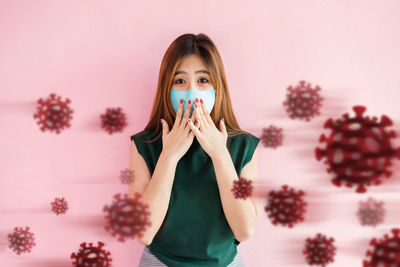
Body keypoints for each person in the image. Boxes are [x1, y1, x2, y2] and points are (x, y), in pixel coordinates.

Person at [129, 33, 260, 267]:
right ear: (166, 87)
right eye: (180, 81)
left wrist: (220, 155)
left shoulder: (243, 146)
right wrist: (168, 156)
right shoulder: (145, 145)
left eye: (202, 80)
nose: (192, 91)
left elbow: (244, 230)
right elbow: (142, 233)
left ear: (217, 86)